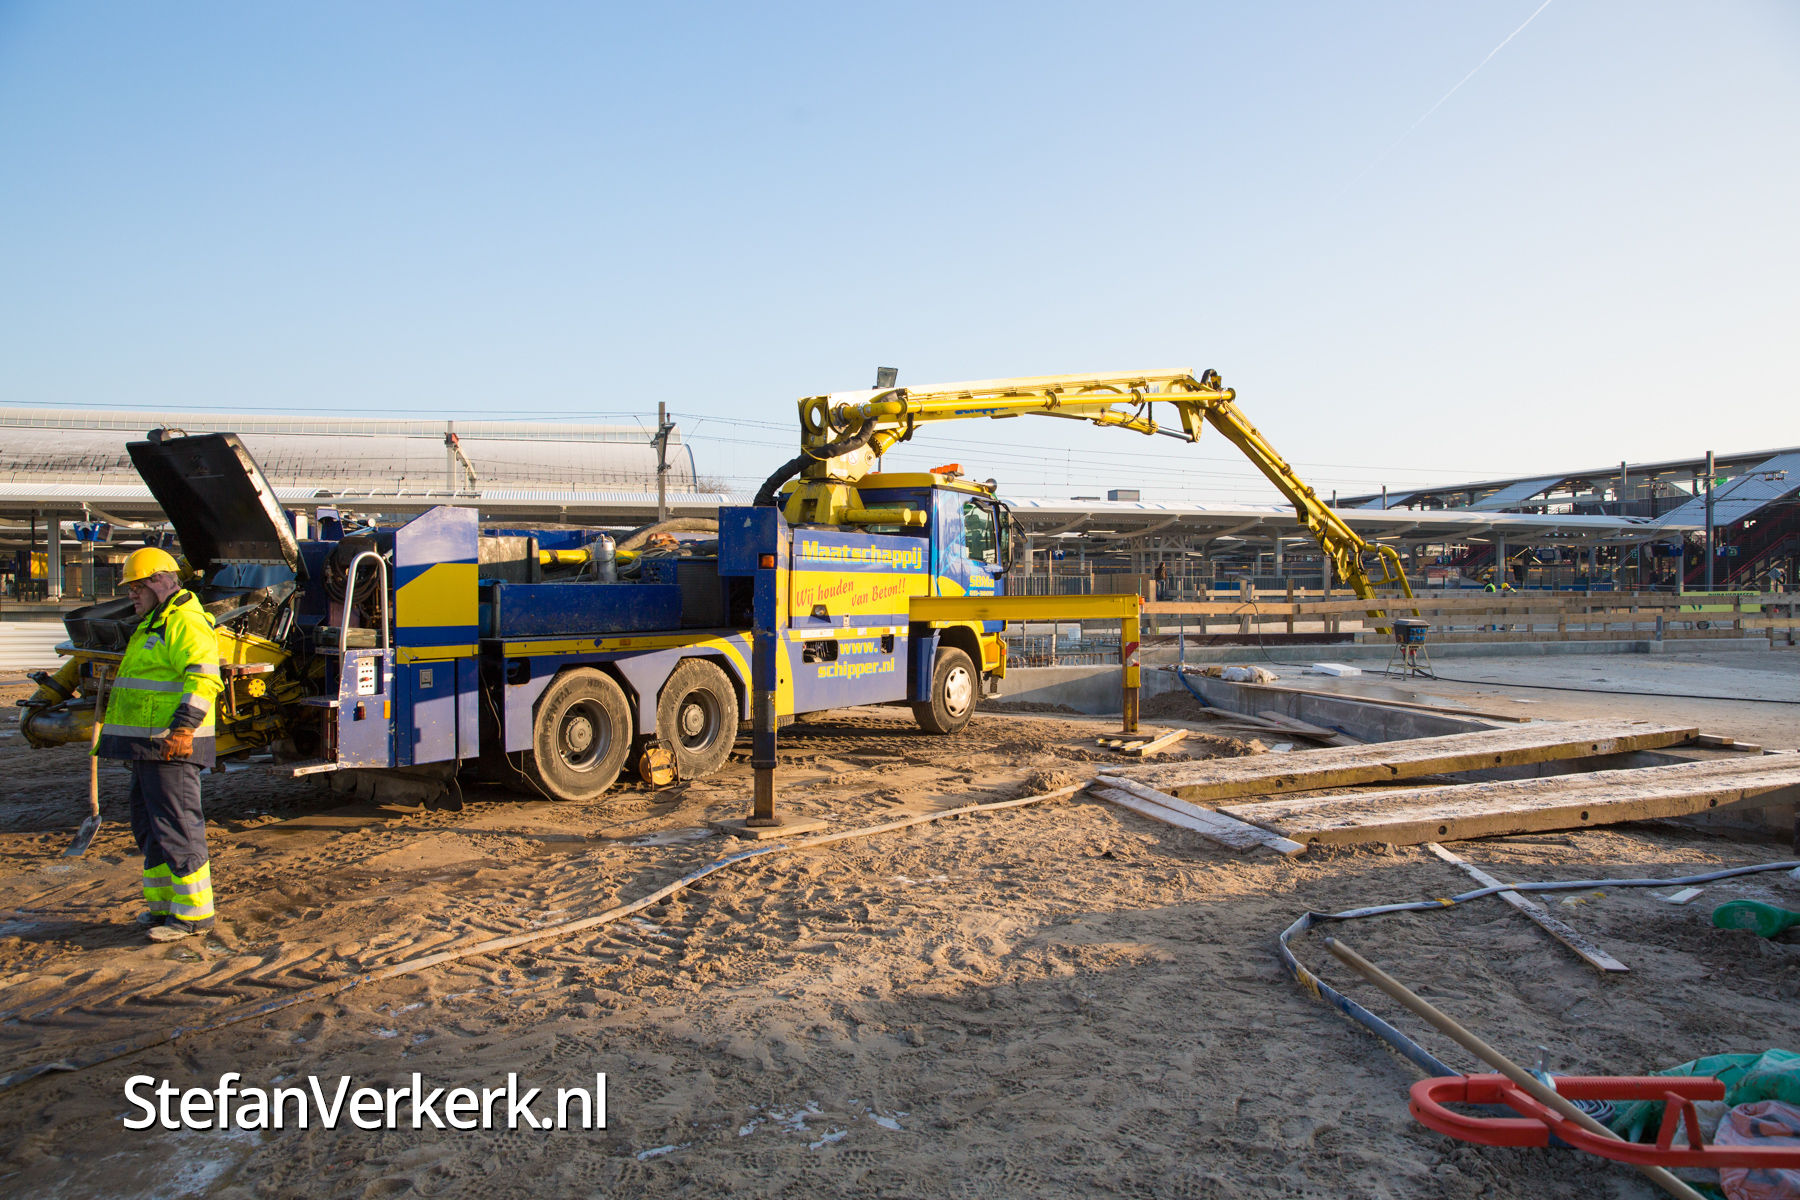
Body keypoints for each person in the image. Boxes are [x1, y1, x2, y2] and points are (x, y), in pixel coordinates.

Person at [98, 547, 221, 941]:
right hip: (147, 747)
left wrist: (183, 729)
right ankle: (165, 907)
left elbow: (204, 679)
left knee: (178, 826)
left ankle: (194, 916)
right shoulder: (156, 621)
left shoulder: (184, 621)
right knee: (150, 826)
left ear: (160, 582)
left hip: (171, 745)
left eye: (137, 587)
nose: (131, 594)